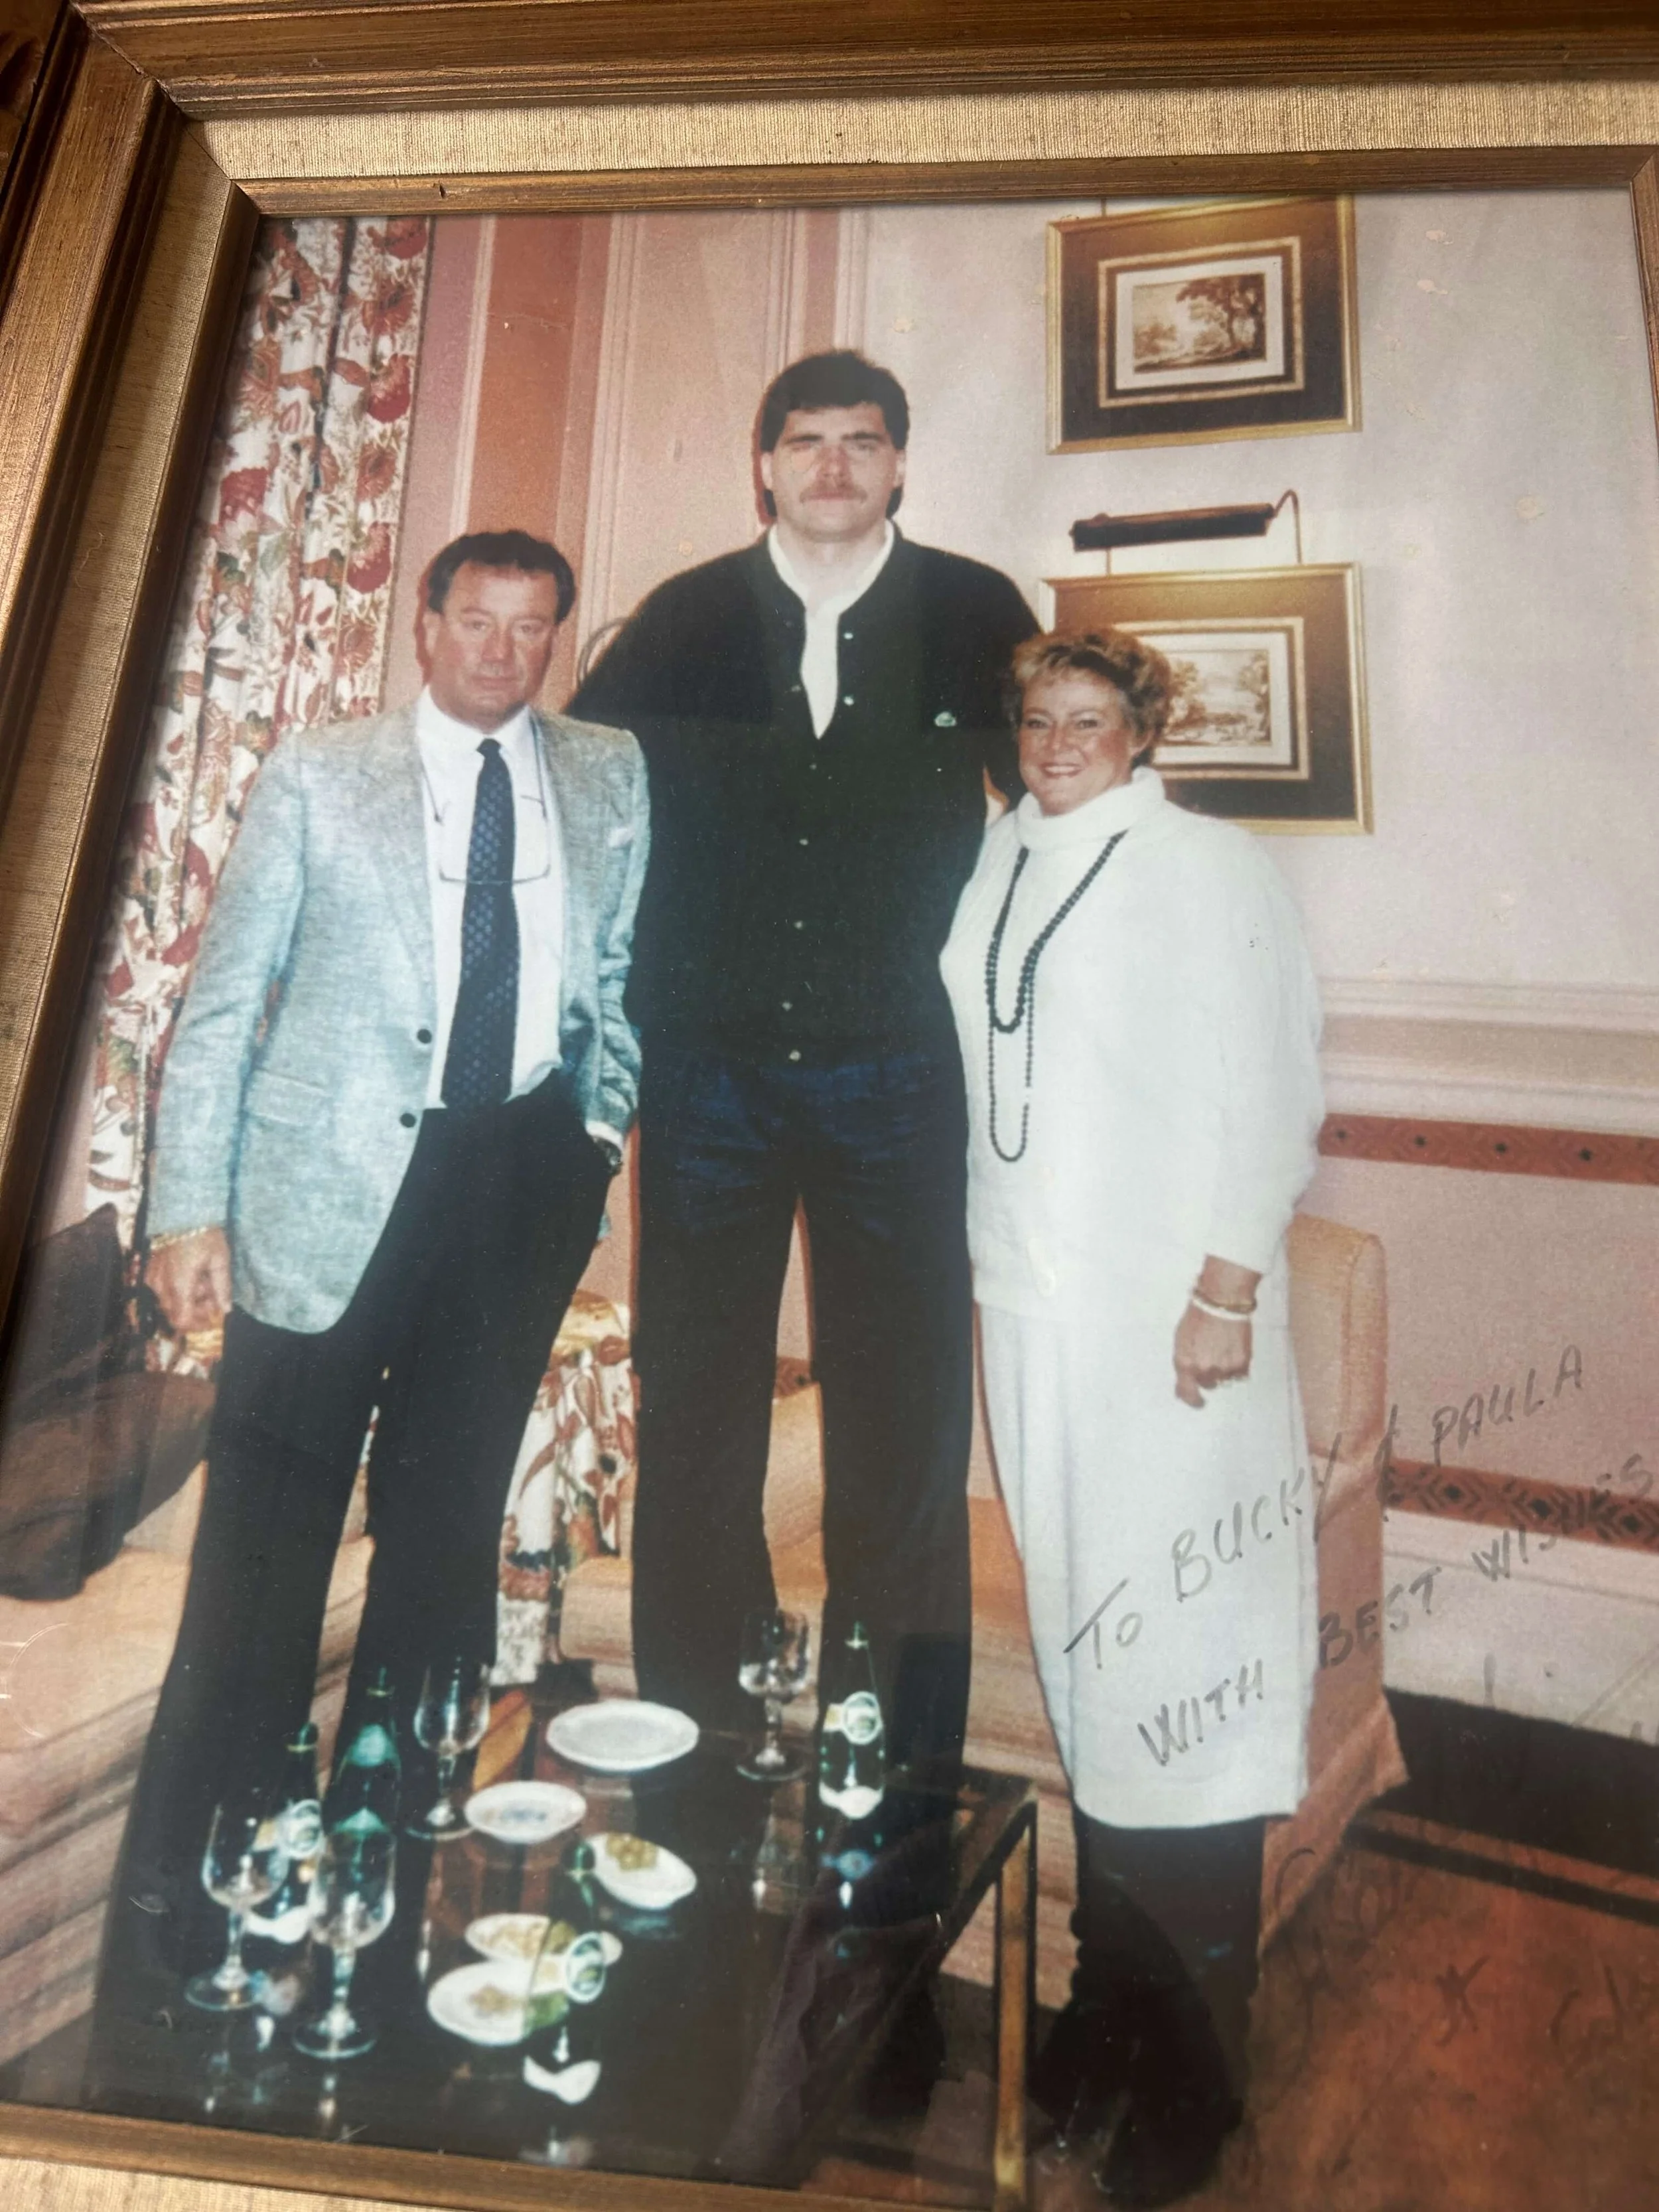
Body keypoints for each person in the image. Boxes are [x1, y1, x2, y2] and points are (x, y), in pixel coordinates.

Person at [99, 528, 648, 2003]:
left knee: (445, 1532)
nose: (503, 652)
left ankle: (386, 1865)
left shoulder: (605, 774)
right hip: (327, 1194)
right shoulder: (316, 771)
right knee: (262, 1553)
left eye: (534, 628)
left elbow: (618, 980)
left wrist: (595, 1131)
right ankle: (183, 1902)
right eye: (477, 620)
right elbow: (216, 1014)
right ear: (426, 624)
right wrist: (184, 1216)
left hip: (517, 1184)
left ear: (556, 640)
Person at [569, 350, 1037, 1772]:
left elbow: (1058, 813)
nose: (832, 464)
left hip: (897, 1073)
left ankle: (896, 1751)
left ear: (899, 463)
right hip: (707, 1070)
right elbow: (585, 799)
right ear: (762, 464)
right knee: (697, 1390)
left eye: (862, 440)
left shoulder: (974, 612)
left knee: (899, 1404)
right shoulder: (686, 618)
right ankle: (694, 1730)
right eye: (804, 441)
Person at [940, 630, 1324, 2207]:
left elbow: (1277, 1085)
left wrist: (1226, 1283)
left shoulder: (1207, 869)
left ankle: (1196, 2064)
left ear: (1142, 729)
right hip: (1029, 1312)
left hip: (1175, 1322)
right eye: (1036, 718)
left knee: (1191, 1669)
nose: (1054, 742)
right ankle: (1105, 2010)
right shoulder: (993, 861)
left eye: (1086, 719)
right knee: (1094, 1653)